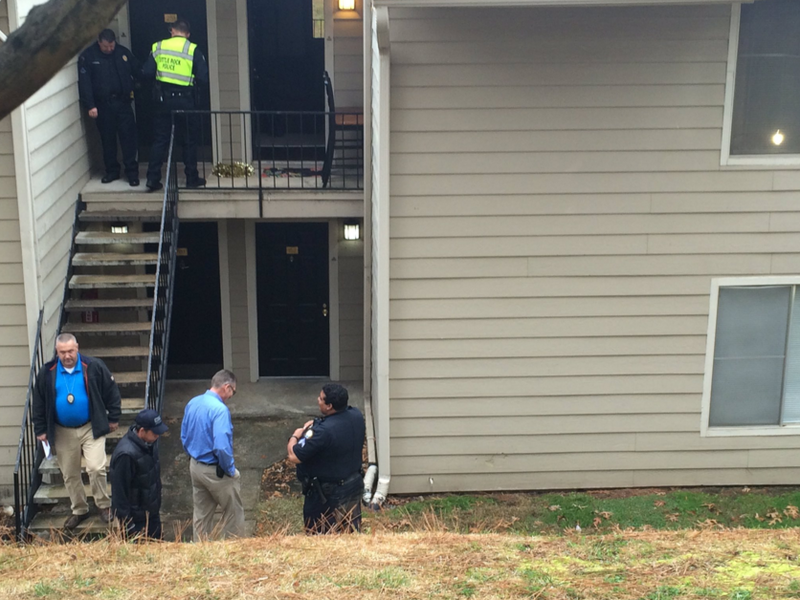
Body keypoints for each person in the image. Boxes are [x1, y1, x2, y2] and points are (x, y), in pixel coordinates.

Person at [32, 333, 121, 530]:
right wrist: (40, 429)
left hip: (91, 426)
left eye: (71, 351)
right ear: (57, 352)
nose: (67, 355)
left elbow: (111, 391)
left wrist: (113, 417)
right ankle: (79, 509)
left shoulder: (94, 366)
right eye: (63, 352)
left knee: (96, 467)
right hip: (62, 430)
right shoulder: (48, 372)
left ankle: (103, 505)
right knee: (70, 473)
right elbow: (38, 402)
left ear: (77, 348)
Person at [287, 383, 365, 533]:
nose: (318, 400)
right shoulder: (356, 416)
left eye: (321, 399)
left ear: (329, 406)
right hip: (353, 485)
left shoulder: (323, 432)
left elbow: (294, 455)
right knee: (351, 532)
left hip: (329, 496)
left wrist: (296, 434)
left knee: (322, 537)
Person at [142, 19, 209, 192]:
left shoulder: (158, 47)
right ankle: (191, 178)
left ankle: (152, 178)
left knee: (160, 140)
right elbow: (203, 78)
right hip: (186, 101)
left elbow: (147, 72)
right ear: (187, 34)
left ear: (172, 31)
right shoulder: (192, 49)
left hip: (163, 101)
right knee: (189, 140)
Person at [180, 369, 244, 541]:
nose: (231, 396)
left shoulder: (193, 402)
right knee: (233, 514)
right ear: (227, 387)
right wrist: (230, 470)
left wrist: (193, 455)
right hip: (215, 470)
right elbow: (222, 447)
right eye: (233, 392)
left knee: (201, 516)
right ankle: (233, 552)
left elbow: (184, 436)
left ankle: (201, 552)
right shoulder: (220, 410)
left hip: (195, 466)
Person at [78, 29, 141, 186]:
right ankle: (112, 171)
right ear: (99, 42)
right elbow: (85, 84)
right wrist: (90, 105)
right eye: (106, 46)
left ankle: (132, 173)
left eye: (111, 46)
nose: (109, 49)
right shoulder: (89, 56)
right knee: (108, 141)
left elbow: (138, 70)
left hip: (123, 104)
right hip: (103, 105)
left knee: (128, 140)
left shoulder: (122, 53)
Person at [110, 409, 168, 539]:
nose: (157, 436)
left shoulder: (148, 444)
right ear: (142, 431)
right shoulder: (126, 455)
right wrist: (128, 525)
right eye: (155, 433)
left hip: (151, 514)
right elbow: (119, 493)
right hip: (136, 521)